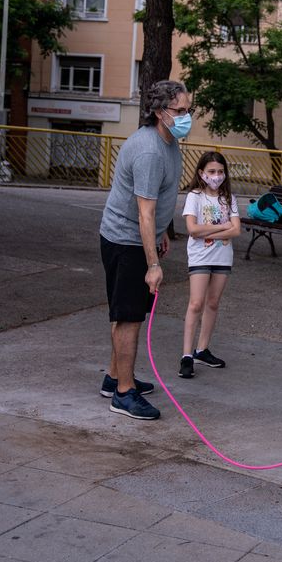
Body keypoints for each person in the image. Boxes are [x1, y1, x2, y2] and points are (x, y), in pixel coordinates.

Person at [98, 80, 191, 420]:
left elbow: (159, 201)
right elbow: (144, 212)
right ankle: (123, 394)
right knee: (129, 317)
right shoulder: (150, 151)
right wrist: (153, 264)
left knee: (129, 313)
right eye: (180, 110)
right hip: (126, 242)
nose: (187, 116)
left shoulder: (169, 142)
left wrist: (162, 232)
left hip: (135, 238)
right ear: (160, 111)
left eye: (189, 109)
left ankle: (114, 377)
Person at [179, 151, 241, 379]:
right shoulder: (195, 196)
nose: (216, 176)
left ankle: (202, 350)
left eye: (220, 171)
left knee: (213, 303)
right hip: (200, 257)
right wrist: (222, 227)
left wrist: (209, 232)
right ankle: (187, 355)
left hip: (222, 257)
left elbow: (236, 230)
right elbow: (192, 229)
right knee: (196, 303)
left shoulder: (228, 198)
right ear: (201, 173)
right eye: (212, 171)